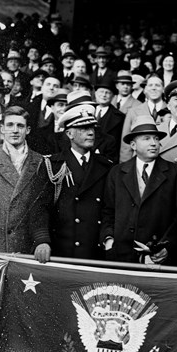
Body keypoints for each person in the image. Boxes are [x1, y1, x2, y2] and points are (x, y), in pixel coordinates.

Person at [39, 101, 113, 261]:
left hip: (94, 249)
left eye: (92, 128)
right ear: (69, 134)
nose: (91, 133)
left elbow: (109, 209)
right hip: (62, 248)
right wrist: (42, 240)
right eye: (84, 129)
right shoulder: (53, 165)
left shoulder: (105, 166)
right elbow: (41, 208)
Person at [100, 116, 177, 264]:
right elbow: (108, 211)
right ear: (133, 145)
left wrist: (168, 247)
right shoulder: (117, 172)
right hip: (121, 255)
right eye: (146, 138)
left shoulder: (174, 172)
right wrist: (108, 240)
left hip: (158, 256)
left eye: (156, 138)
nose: (154, 143)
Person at [0, 106, 51, 257]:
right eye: (10, 125)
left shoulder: (40, 162)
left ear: (28, 130)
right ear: (2, 129)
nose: (15, 130)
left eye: (20, 126)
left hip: (27, 248)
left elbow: (43, 207)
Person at [119, 74, 167, 162]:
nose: (153, 88)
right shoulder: (134, 111)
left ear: (163, 89)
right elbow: (126, 145)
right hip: (139, 161)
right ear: (145, 90)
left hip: (166, 159)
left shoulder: (170, 110)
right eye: (150, 85)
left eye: (157, 85)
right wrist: (125, 167)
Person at [94, 78, 125, 149]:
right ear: (95, 93)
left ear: (113, 96)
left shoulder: (119, 117)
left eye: (107, 92)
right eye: (101, 91)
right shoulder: (86, 111)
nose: (104, 95)